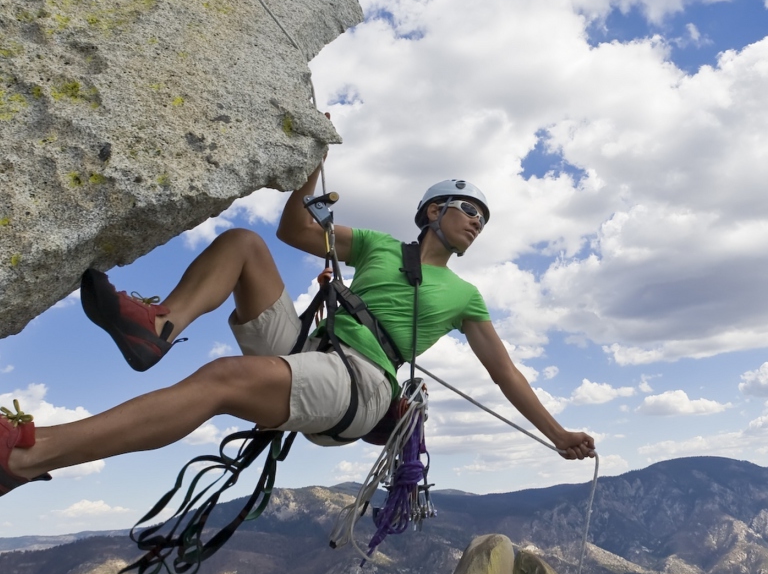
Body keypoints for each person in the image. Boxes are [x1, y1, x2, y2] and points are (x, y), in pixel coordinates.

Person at [0, 172, 595, 496]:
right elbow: (293, 231)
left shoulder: (466, 297)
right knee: (245, 245)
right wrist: (311, 159)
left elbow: (504, 372)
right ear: (434, 210)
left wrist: (556, 432)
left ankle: (31, 452)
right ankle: (158, 327)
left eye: (484, 220)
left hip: (364, 384)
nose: (478, 223)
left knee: (223, 380)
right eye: (470, 209)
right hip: (315, 349)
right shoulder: (381, 247)